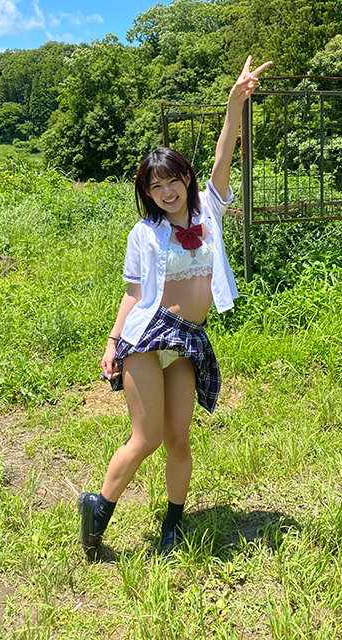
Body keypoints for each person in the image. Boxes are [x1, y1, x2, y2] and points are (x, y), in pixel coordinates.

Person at [78, 56, 272, 559]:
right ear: (147, 193)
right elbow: (133, 293)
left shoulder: (211, 209)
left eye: (172, 181)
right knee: (145, 438)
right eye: (155, 187)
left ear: (186, 177)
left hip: (189, 339)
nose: (166, 192)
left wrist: (234, 103)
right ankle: (97, 510)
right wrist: (113, 342)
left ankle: (172, 523)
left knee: (178, 439)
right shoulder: (143, 233)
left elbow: (226, 150)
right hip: (149, 333)